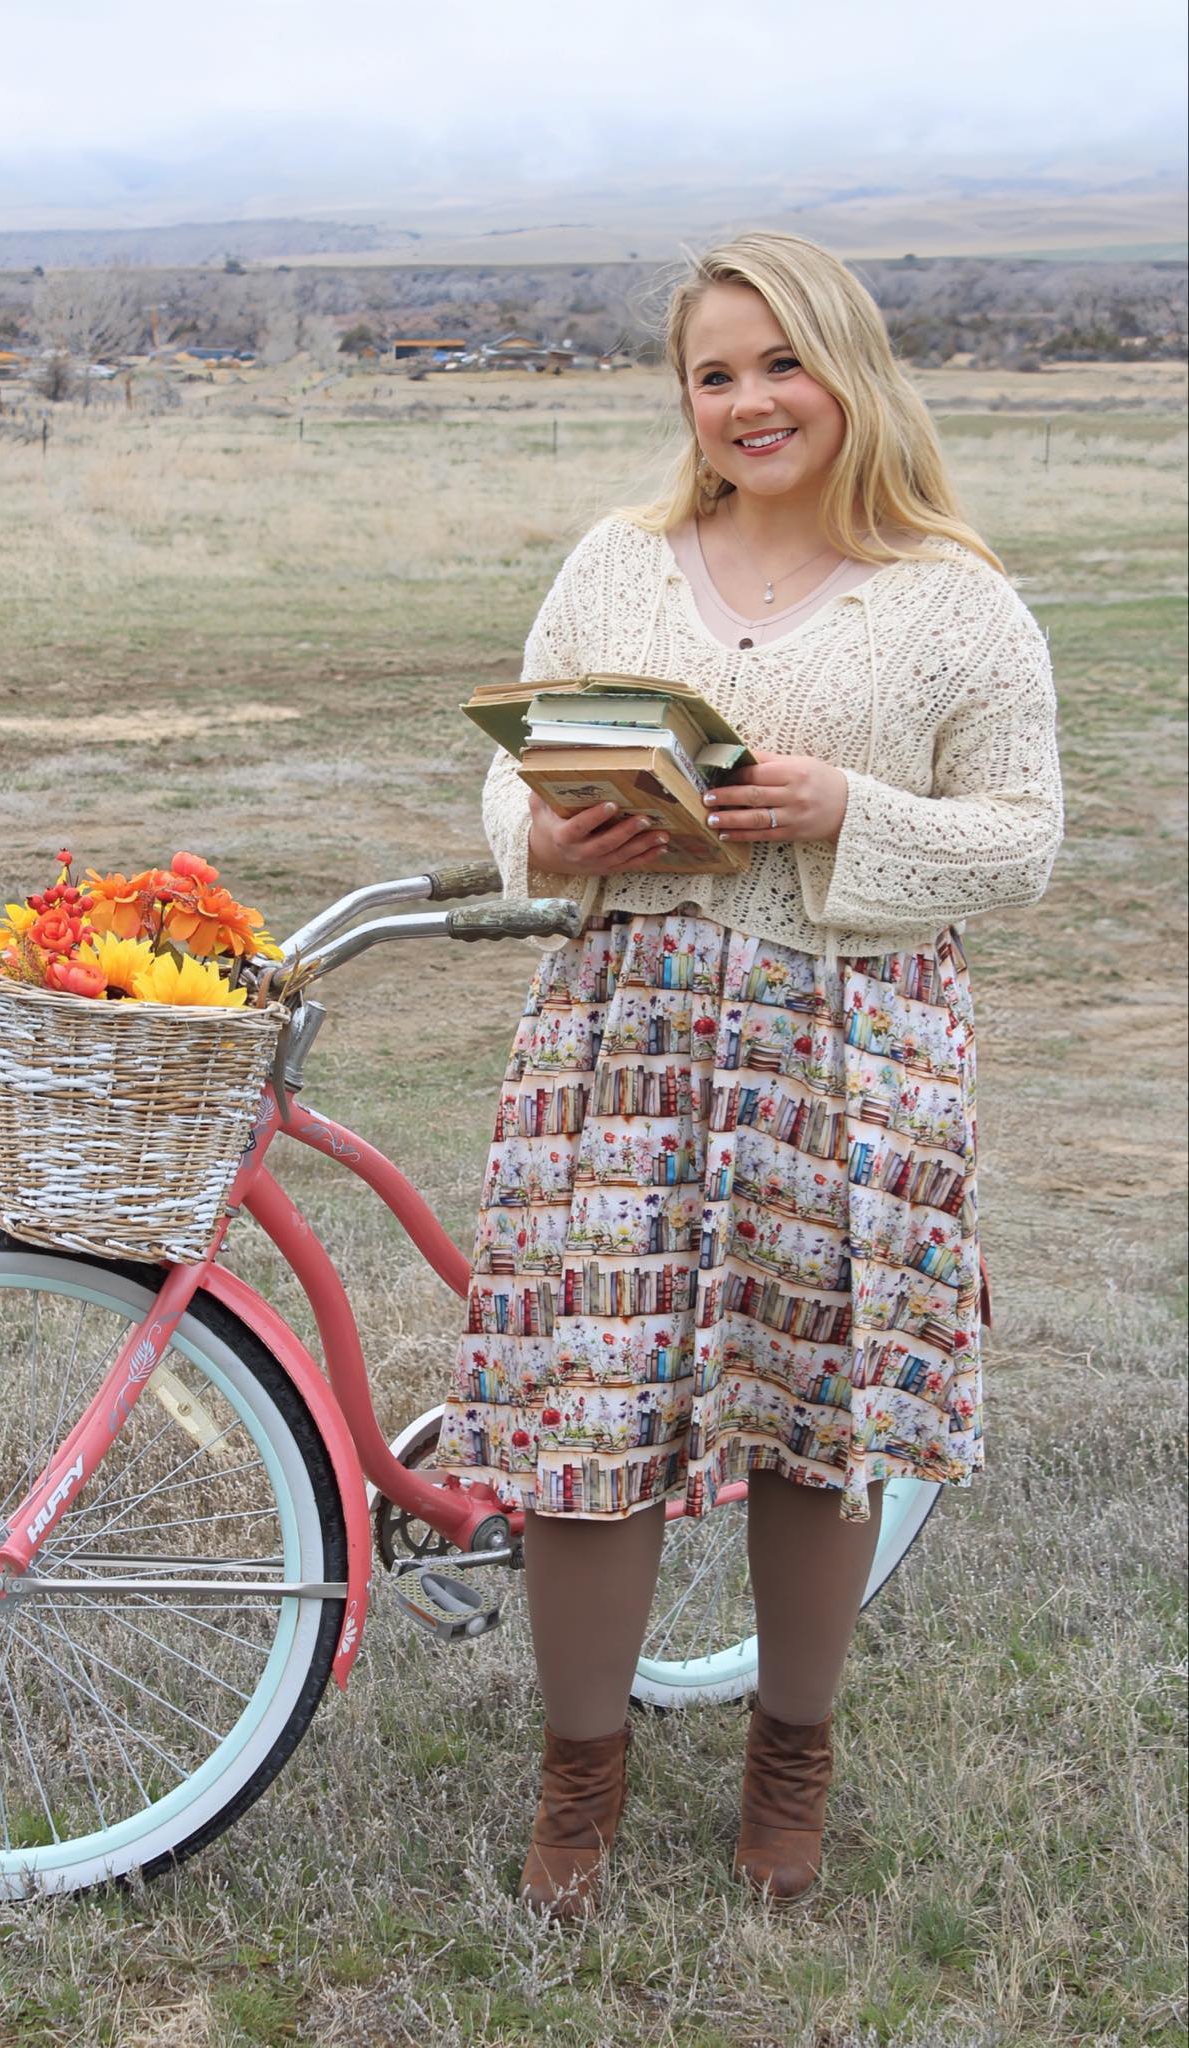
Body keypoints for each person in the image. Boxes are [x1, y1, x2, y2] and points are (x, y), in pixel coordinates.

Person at [433, 230, 1064, 1918]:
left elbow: (1021, 842)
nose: (747, 402)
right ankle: (580, 1781)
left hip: (849, 1043)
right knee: (593, 1408)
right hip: (623, 1033)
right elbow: (514, 796)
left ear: (844, 368)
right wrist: (549, 835)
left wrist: (850, 811)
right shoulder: (619, 564)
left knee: (819, 1417)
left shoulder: (954, 595)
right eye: (713, 374)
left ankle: (792, 1756)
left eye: (777, 363)